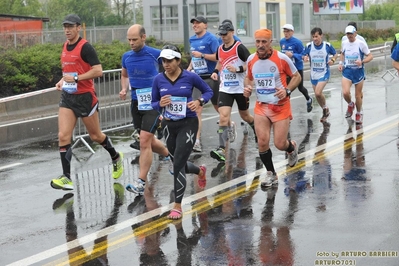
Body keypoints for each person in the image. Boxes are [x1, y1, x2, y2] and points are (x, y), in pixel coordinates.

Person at [50, 14, 123, 191]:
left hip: (85, 97)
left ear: (78, 27)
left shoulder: (86, 47)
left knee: (96, 136)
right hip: (68, 97)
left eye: (70, 27)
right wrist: (63, 81)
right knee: (63, 136)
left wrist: (76, 78)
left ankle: (115, 157)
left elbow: (98, 71)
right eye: (64, 27)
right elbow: (68, 71)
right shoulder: (65, 46)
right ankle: (67, 178)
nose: (67, 30)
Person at [151, 45, 213, 219]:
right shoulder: (158, 79)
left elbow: (208, 91)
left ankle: (177, 206)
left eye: (170, 60)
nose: (166, 64)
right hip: (170, 126)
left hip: (188, 123)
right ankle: (200, 171)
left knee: (177, 164)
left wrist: (199, 101)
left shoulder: (190, 76)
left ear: (178, 61)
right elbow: (153, 103)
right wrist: (160, 105)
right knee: (178, 163)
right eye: (163, 60)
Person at [244, 28, 300, 188]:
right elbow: (248, 78)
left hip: (280, 107)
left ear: (270, 43)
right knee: (262, 142)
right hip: (261, 107)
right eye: (257, 41)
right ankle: (271, 174)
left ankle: (291, 148)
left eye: (264, 42)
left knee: (279, 144)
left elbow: (297, 76)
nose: (260, 45)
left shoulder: (281, 59)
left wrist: (287, 90)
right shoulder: (250, 60)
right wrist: (247, 88)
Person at [119, 24, 170, 195]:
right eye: (129, 40)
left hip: (154, 103)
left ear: (143, 37)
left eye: (134, 39)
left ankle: (140, 182)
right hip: (136, 103)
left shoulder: (156, 54)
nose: (131, 43)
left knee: (144, 142)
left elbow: (170, 72)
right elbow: (125, 74)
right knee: (147, 140)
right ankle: (170, 157)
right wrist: (124, 89)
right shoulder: (126, 57)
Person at [209, 22, 256, 162]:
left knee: (245, 116)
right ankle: (222, 149)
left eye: (225, 34)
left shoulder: (239, 48)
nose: (223, 37)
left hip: (240, 88)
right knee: (223, 117)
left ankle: (256, 129)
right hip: (225, 88)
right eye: (221, 34)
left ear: (232, 32)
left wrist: (238, 70)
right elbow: (220, 61)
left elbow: (251, 63)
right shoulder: (220, 48)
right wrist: (216, 71)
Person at [188, 16, 220, 152]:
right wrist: (189, 68)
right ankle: (197, 141)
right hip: (197, 78)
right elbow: (193, 58)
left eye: (197, 23)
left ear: (205, 25)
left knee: (219, 107)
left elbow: (218, 57)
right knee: (197, 109)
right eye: (193, 23)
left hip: (211, 77)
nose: (195, 25)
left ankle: (229, 123)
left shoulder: (211, 39)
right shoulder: (192, 39)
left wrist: (202, 55)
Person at [338, 25, 373, 124]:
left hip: (358, 72)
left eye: (351, 34)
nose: (350, 36)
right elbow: (342, 53)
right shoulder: (344, 43)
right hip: (348, 71)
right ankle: (350, 104)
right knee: (345, 93)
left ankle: (359, 112)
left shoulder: (360, 44)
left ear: (355, 33)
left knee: (358, 95)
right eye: (348, 34)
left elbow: (370, 56)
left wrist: (362, 61)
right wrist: (341, 64)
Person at [303, 27, 338, 123]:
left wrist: (333, 60)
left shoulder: (327, 46)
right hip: (313, 74)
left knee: (318, 92)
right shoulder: (309, 46)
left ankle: (325, 108)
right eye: (313, 37)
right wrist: (304, 57)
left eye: (317, 36)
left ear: (321, 36)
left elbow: (335, 54)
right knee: (317, 95)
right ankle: (325, 109)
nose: (315, 39)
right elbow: (304, 54)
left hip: (324, 73)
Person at [280, 24, 313, 113]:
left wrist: (293, 55)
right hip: (286, 69)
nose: (286, 33)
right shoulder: (282, 41)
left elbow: (303, 55)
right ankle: (286, 111)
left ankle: (309, 99)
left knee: (300, 88)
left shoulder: (297, 42)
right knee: (287, 89)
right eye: (284, 31)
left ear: (292, 32)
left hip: (297, 69)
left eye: (287, 31)